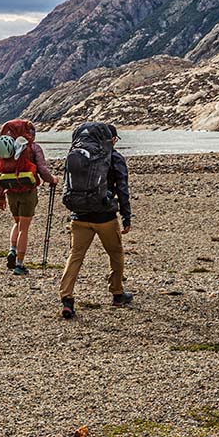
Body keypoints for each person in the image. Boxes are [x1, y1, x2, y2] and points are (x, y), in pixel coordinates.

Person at [58, 122, 132, 319]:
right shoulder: (114, 157)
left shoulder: (79, 153)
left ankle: (67, 298)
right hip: (105, 217)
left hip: (79, 215)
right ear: (112, 139)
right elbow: (122, 188)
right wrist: (126, 216)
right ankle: (117, 293)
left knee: (75, 256)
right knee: (115, 253)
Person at [0, 119, 58, 276]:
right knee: (24, 227)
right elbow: (43, 170)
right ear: (28, 133)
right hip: (27, 191)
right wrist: (53, 180)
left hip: (10, 190)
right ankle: (20, 264)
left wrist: (1, 196)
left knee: (16, 222)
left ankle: (12, 250)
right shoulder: (33, 148)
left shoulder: (5, 149)